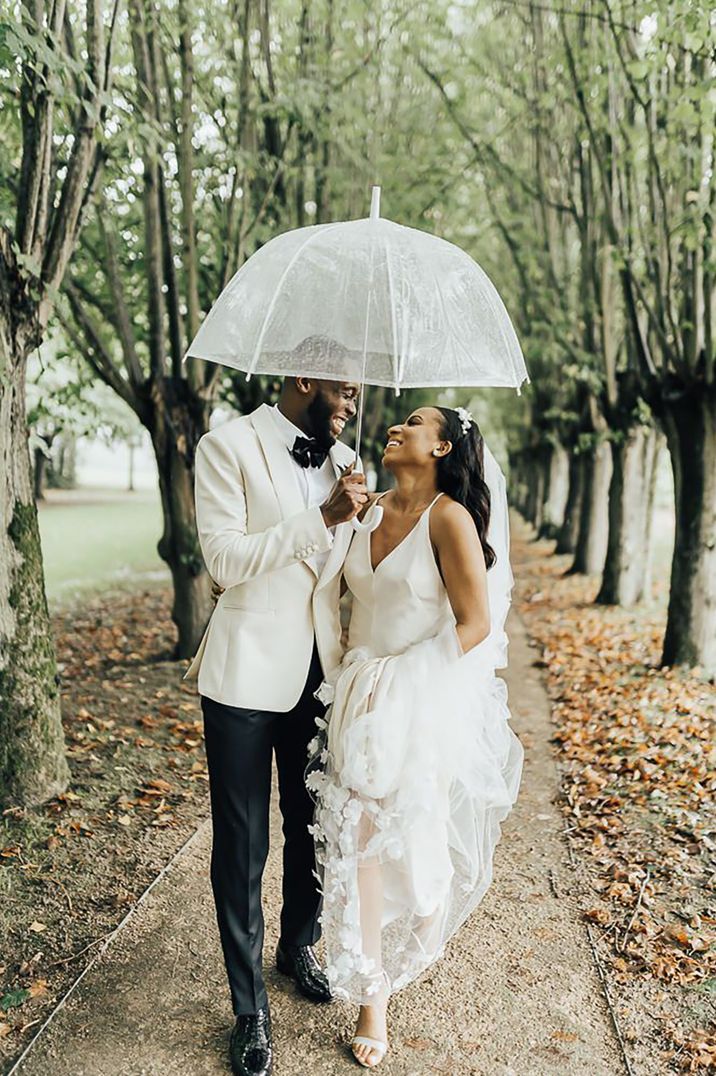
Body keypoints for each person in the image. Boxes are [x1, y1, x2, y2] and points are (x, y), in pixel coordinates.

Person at [306, 404, 523, 1069]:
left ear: (443, 446)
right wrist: (347, 672)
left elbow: (475, 622)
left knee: (405, 840)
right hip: (356, 699)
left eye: (416, 423)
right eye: (396, 419)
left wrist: (403, 681)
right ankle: (374, 997)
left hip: (413, 700)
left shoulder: (450, 520)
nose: (397, 427)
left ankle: (429, 900)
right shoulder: (366, 512)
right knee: (358, 842)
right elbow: (339, 597)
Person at [185, 368, 366, 1076]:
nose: (353, 404)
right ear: (302, 378)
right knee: (243, 838)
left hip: (322, 668)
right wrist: (318, 518)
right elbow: (224, 560)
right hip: (244, 673)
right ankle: (248, 1007)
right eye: (345, 389)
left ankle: (299, 944)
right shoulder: (226, 446)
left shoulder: (349, 465)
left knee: (312, 817)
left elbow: (356, 569)